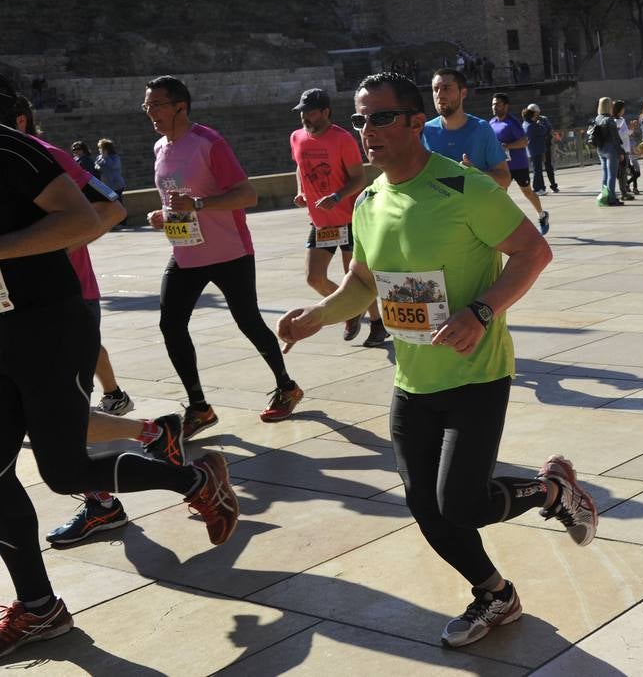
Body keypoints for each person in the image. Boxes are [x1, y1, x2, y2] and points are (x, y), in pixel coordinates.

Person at [277, 72, 597, 649]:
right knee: (425, 506)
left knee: (461, 502)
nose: (366, 132)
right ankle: (496, 594)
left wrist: (481, 311)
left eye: (379, 118)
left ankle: (552, 492)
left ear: (412, 121)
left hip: (477, 373)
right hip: (412, 379)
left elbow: (534, 251)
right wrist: (317, 315)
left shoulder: (464, 187)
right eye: (360, 119)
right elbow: (362, 281)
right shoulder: (369, 201)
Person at [0, 76, 238, 658]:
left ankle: (194, 478)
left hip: (49, 325)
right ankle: (39, 608)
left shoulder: (11, 149)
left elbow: (89, 218)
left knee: (63, 470)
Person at [143, 76, 304, 437]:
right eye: (147, 106)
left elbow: (247, 195)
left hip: (229, 251)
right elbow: (174, 199)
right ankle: (199, 407)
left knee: (248, 321)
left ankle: (287, 386)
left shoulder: (209, 142)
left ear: (179, 106)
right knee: (170, 325)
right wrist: (162, 215)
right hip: (185, 252)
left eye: (156, 104)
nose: (150, 112)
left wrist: (199, 204)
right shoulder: (159, 148)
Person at [9, 97, 133, 414]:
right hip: (20, 298)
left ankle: (153, 432)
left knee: (64, 411)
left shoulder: (43, 154)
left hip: (67, 291)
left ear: (20, 120)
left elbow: (111, 209)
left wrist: (52, 251)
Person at [290, 88, 386, 348]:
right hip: (320, 222)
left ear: (326, 112)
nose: (305, 117)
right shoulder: (297, 137)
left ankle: (376, 323)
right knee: (314, 278)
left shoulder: (342, 139)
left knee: (354, 279)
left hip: (349, 219)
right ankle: (350, 311)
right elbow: (300, 166)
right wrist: (301, 191)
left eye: (310, 112)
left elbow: (359, 179)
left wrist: (336, 196)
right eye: (302, 112)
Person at [422, 69, 510, 188]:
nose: (439, 94)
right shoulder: (424, 131)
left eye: (446, 88)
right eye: (435, 89)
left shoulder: (482, 129)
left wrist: (475, 175)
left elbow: (505, 179)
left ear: (463, 93)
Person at [490, 93, 548, 236]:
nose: (494, 107)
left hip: (518, 165)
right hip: (502, 166)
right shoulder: (491, 123)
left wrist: (507, 146)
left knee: (527, 192)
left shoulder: (512, 123)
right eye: (493, 104)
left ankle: (542, 215)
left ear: (505, 106)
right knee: (500, 194)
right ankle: (503, 225)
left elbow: (524, 142)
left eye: (497, 104)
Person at [592, 96, 623, 206]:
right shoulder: (610, 120)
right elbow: (616, 139)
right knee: (612, 175)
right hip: (611, 150)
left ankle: (604, 197)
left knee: (605, 174)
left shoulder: (597, 118)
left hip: (600, 149)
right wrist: (621, 152)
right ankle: (611, 198)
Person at [612, 99, 639, 200]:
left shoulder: (621, 120)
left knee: (623, 173)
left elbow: (626, 134)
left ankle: (624, 191)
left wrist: (631, 129)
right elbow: (619, 136)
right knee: (621, 173)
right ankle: (623, 192)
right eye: (623, 108)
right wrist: (630, 129)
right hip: (621, 150)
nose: (624, 110)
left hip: (625, 149)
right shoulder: (615, 121)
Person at [523, 105, 553, 193]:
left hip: (531, 149)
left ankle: (541, 187)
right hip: (536, 149)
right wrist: (539, 124)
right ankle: (537, 188)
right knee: (537, 170)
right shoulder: (533, 126)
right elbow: (543, 130)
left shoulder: (525, 124)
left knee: (538, 169)